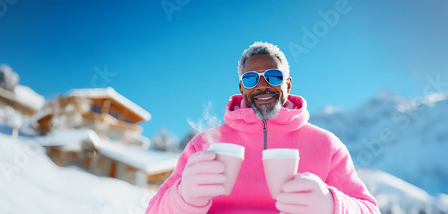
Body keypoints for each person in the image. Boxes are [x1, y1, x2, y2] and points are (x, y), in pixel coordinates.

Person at [146, 42, 380, 214]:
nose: (262, 86)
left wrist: (331, 205)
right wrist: (183, 198)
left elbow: (369, 209)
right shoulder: (204, 144)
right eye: (251, 79)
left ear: (287, 84)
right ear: (242, 88)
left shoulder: (326, 145)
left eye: (273, 77)